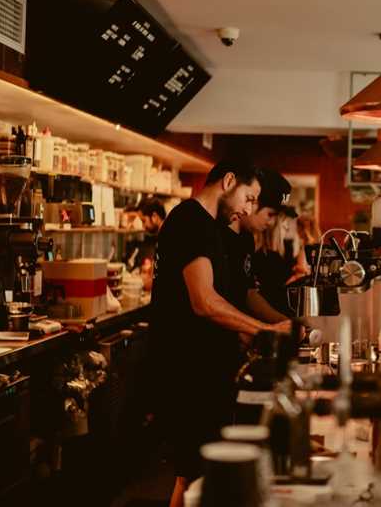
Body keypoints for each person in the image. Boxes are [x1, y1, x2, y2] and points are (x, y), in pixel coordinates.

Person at [150, 158, 291, 507]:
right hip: (186, 369)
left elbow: (228, 298)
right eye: (249, 197)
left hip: (204, 367)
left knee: (198, 474)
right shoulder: (189, 221)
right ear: (229, 181)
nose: (249, 208)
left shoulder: (210, 227)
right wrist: (266, 331)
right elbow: (205, 302)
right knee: (193, 475)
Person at [225, 168, 292, 323]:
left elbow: (248, 293)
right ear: (253, 202)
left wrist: (284, 323)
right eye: (270, 214)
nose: (271, 223)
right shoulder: (217, 234)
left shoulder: (246, 238)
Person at [127, 197, 166, 291]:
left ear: (154, 216)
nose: (144, 226)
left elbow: (155, 283)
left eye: (144, 221)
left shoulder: (166, 238)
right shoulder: (165, 234)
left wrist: (134, 284)